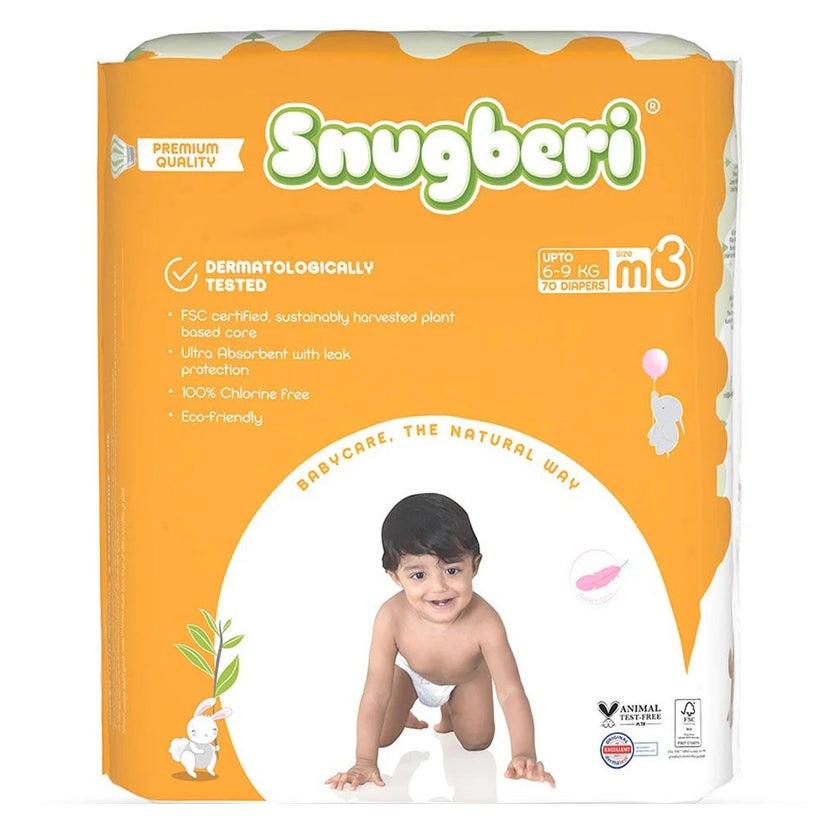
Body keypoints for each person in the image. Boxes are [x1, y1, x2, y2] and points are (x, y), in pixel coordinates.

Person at [325, 493, 555, 791]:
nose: (439, 587)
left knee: (477, 741)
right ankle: (404, 707)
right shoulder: (390, 617)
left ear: (475, 565)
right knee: (380, 736)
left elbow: (510, 691)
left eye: (452, 570)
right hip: (410, 674)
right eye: (419, 574)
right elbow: (376, 692)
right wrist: (364, 762)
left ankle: (451, 707)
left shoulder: (486, 622)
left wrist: (524, 753)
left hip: (466, 676)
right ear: (395, 576)